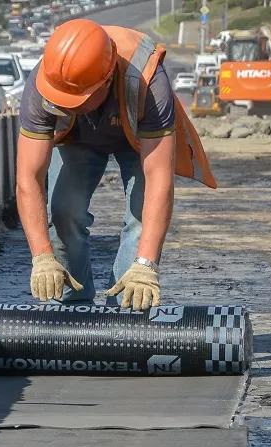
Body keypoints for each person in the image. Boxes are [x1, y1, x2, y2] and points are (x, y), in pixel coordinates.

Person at [16, 19, 216, 312]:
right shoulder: (45, 83)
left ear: (107, 79)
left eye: (76, 99)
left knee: (140, 217)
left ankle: (125, 312)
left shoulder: (148, 81)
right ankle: (71, 306)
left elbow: (159, 179)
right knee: (63, 211)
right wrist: (42, 257)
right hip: (78, 137)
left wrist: (146, 264)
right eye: (62, 100)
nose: (66, 104)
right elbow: (28, 178)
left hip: (137, 137)